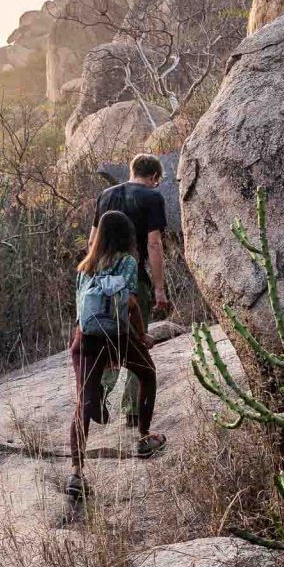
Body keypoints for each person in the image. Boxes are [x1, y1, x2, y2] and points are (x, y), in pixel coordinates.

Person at [67, 209, 163, 499]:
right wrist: (141, 335)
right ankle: (144, 437)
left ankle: (76, 472)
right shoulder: (128, 262)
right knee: (148, 374)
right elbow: (131, 303)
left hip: (84, 340)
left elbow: (79, 311)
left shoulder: (85, 266)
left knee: (83, 400)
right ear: (126, 235)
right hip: (116, 336)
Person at [91, 153, 170, 425]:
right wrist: (159, 289)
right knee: (136, 341)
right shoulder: (152, 197)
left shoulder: (105, 195)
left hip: (100, 281)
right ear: (154, 177)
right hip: (133, 279)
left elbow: (92, 241)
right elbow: (154, 243)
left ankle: (98, 393)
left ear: (131, 170)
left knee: (106, 339)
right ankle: (133, 411)